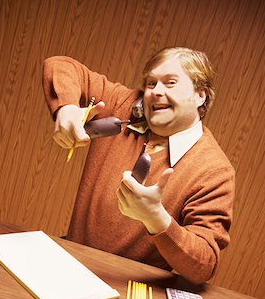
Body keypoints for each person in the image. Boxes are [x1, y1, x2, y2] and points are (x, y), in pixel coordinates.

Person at [42, 47, 235, 284]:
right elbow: (60, 65)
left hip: (130, 291)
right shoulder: (123, 104)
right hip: (70, 264)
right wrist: (67, 108)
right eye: (151, 83)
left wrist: (156, 218)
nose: (156, 92)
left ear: (200, 95)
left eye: (170, 83)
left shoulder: (215, 171)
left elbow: (204, 265)